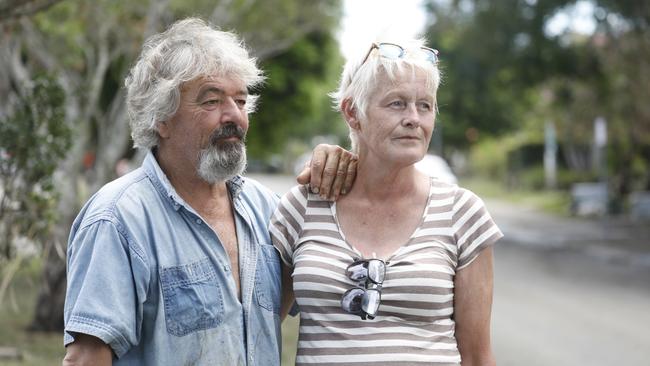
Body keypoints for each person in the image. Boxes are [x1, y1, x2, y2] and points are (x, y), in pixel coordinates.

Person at [62, 18, 356, 366]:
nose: (235, 116)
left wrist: (339, 172)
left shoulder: (266, 209)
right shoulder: (118, 220)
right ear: (162, 118)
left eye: (241, 101)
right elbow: (86, 358)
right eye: (212, 101)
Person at [270, 39, 503, 365]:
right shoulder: (303, 206)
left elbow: (478, 357)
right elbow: (258, 330)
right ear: (353, 113)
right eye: (396, 104)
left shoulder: (463, 214)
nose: (413, 118)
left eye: (425, 105)